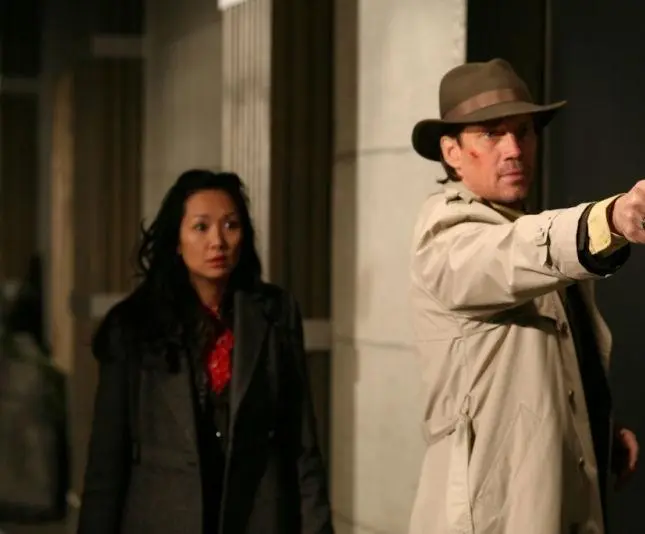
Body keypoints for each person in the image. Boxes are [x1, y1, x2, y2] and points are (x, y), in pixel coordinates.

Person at [408, 59, 642, 534]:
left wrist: (595, 429)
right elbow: (508, 255)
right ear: (452, 152)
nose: (514, 149)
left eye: (523, 131)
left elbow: (553, 368)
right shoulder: (445, 234)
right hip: (493, 513)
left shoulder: (523, 226)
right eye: (492, 134)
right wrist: (612, 219)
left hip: (553, 491)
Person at [77, 170, 334, 534]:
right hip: (163, 518)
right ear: (177, 240)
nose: (218, 241)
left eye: (230, 225)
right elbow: (107, 460)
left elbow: (301, 442)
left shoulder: (275, 313)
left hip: (256, 517)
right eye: (201, 227)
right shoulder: (133, 325)